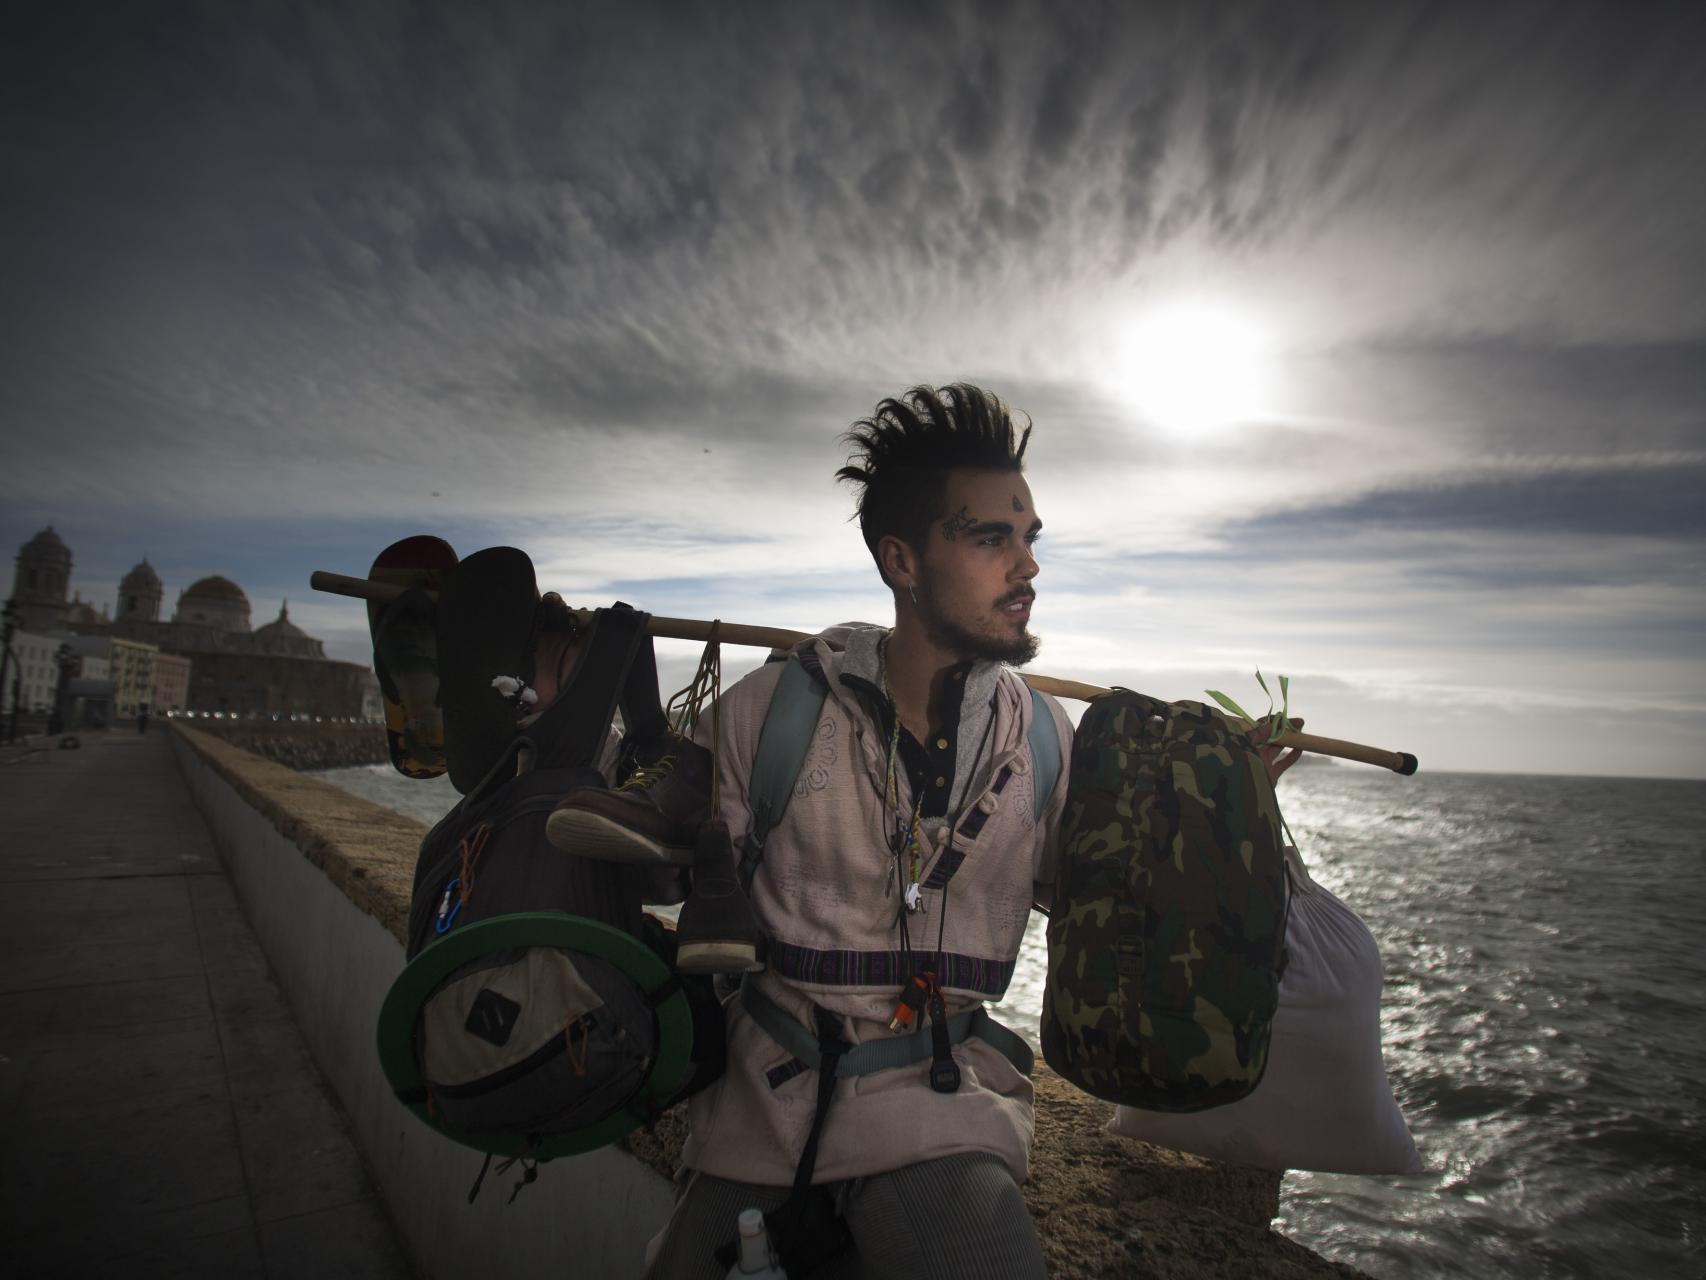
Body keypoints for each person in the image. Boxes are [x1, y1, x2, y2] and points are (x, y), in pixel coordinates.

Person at [644, 384, 1070, 1279]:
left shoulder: (1042, 742)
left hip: (942, 1116)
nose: (1026, 567)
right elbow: (655, 861)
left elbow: (1099, 905)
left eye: (1028, 538)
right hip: (761, 1109)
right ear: (901, 560)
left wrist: (1212, 804)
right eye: (990, 537)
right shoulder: (774, 711)